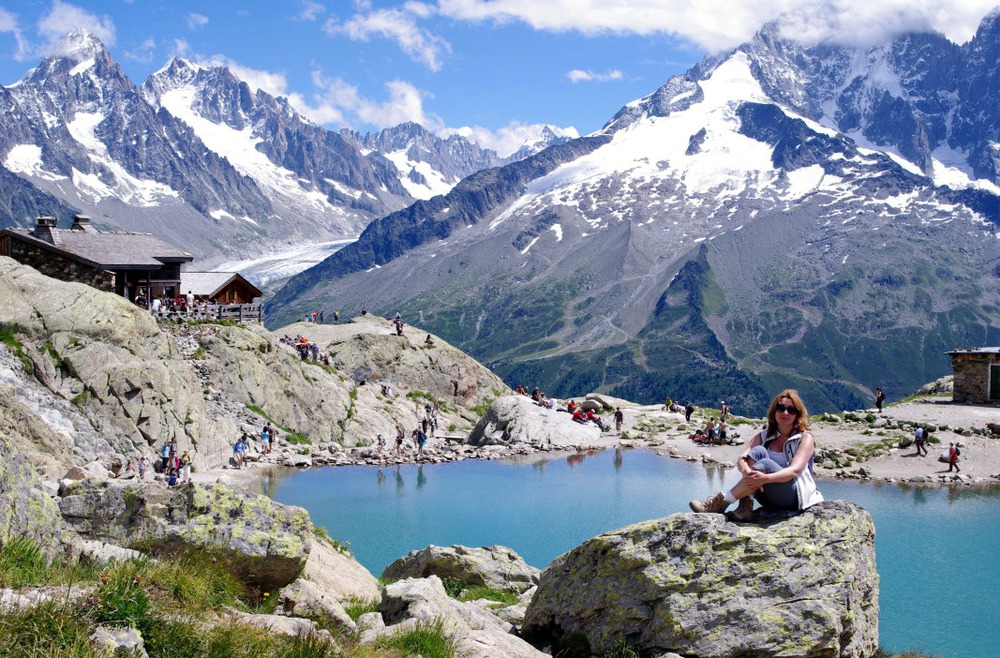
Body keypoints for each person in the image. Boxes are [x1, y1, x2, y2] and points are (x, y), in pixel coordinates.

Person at [689, 389, 823, 521]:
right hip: (767, 497)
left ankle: (723, 501)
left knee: (765, 463)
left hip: (795, 497)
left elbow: (794, 471)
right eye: (780, 408)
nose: (785, 413)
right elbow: (742, 459)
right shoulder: (763, 435)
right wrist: (748, 472)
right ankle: (746, 505)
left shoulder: (805, 438)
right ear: (774, 410)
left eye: (791, 410)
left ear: (797, 415)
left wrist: (765, 478)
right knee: (758, 451)